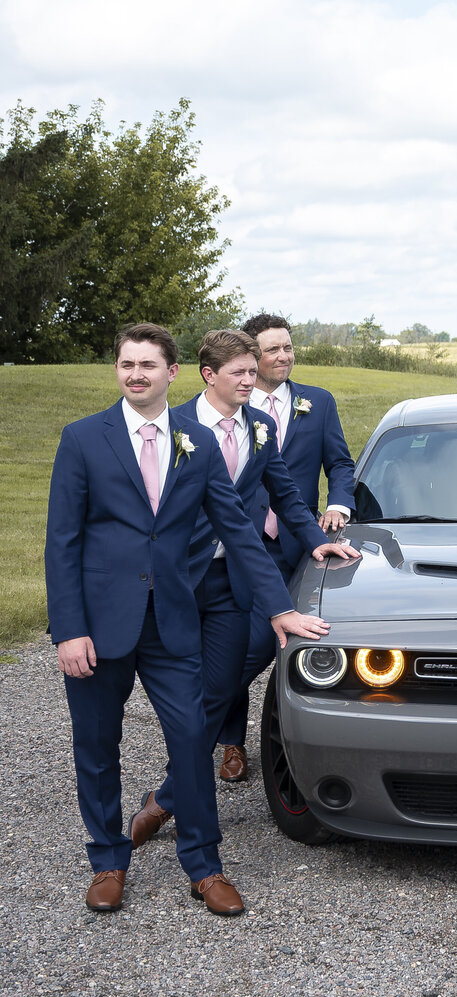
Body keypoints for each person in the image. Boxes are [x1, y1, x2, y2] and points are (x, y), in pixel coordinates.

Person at [45, 324, 333, 917]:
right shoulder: (83, 438)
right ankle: (108, 861)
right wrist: (69, 629)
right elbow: (62, 542)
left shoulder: (196, 442)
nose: (136, 375)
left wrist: (280, 607)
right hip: (99, 626)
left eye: (147, 365)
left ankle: (204, 866)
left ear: (172, 372)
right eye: (127, 364)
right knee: (96, 745)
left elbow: (238, 530)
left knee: (190, 739)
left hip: (172, 622)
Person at [129, 329, 360, 851]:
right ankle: (181, 797)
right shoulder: (174, 426)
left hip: (234, 575)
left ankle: (166, 797)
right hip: (176, 578)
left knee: (221, 684)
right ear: (209, 375)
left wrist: (316, 541)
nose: (251, 382)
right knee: (184, 693)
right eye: (240, 373)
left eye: (253, 372)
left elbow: (285, 492)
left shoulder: (260, 426)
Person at [213, 312, 358, 763]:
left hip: (299, 544)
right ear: (251, 356)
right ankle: (230, 741)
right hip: (242, 544)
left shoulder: (318, 402)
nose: (283, 356)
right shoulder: (228, 408)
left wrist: (338, 505)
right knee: (241, 643)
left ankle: (294, 736)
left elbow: (340, 463)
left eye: (288, 347)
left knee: (283, 641)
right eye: (272, 349)